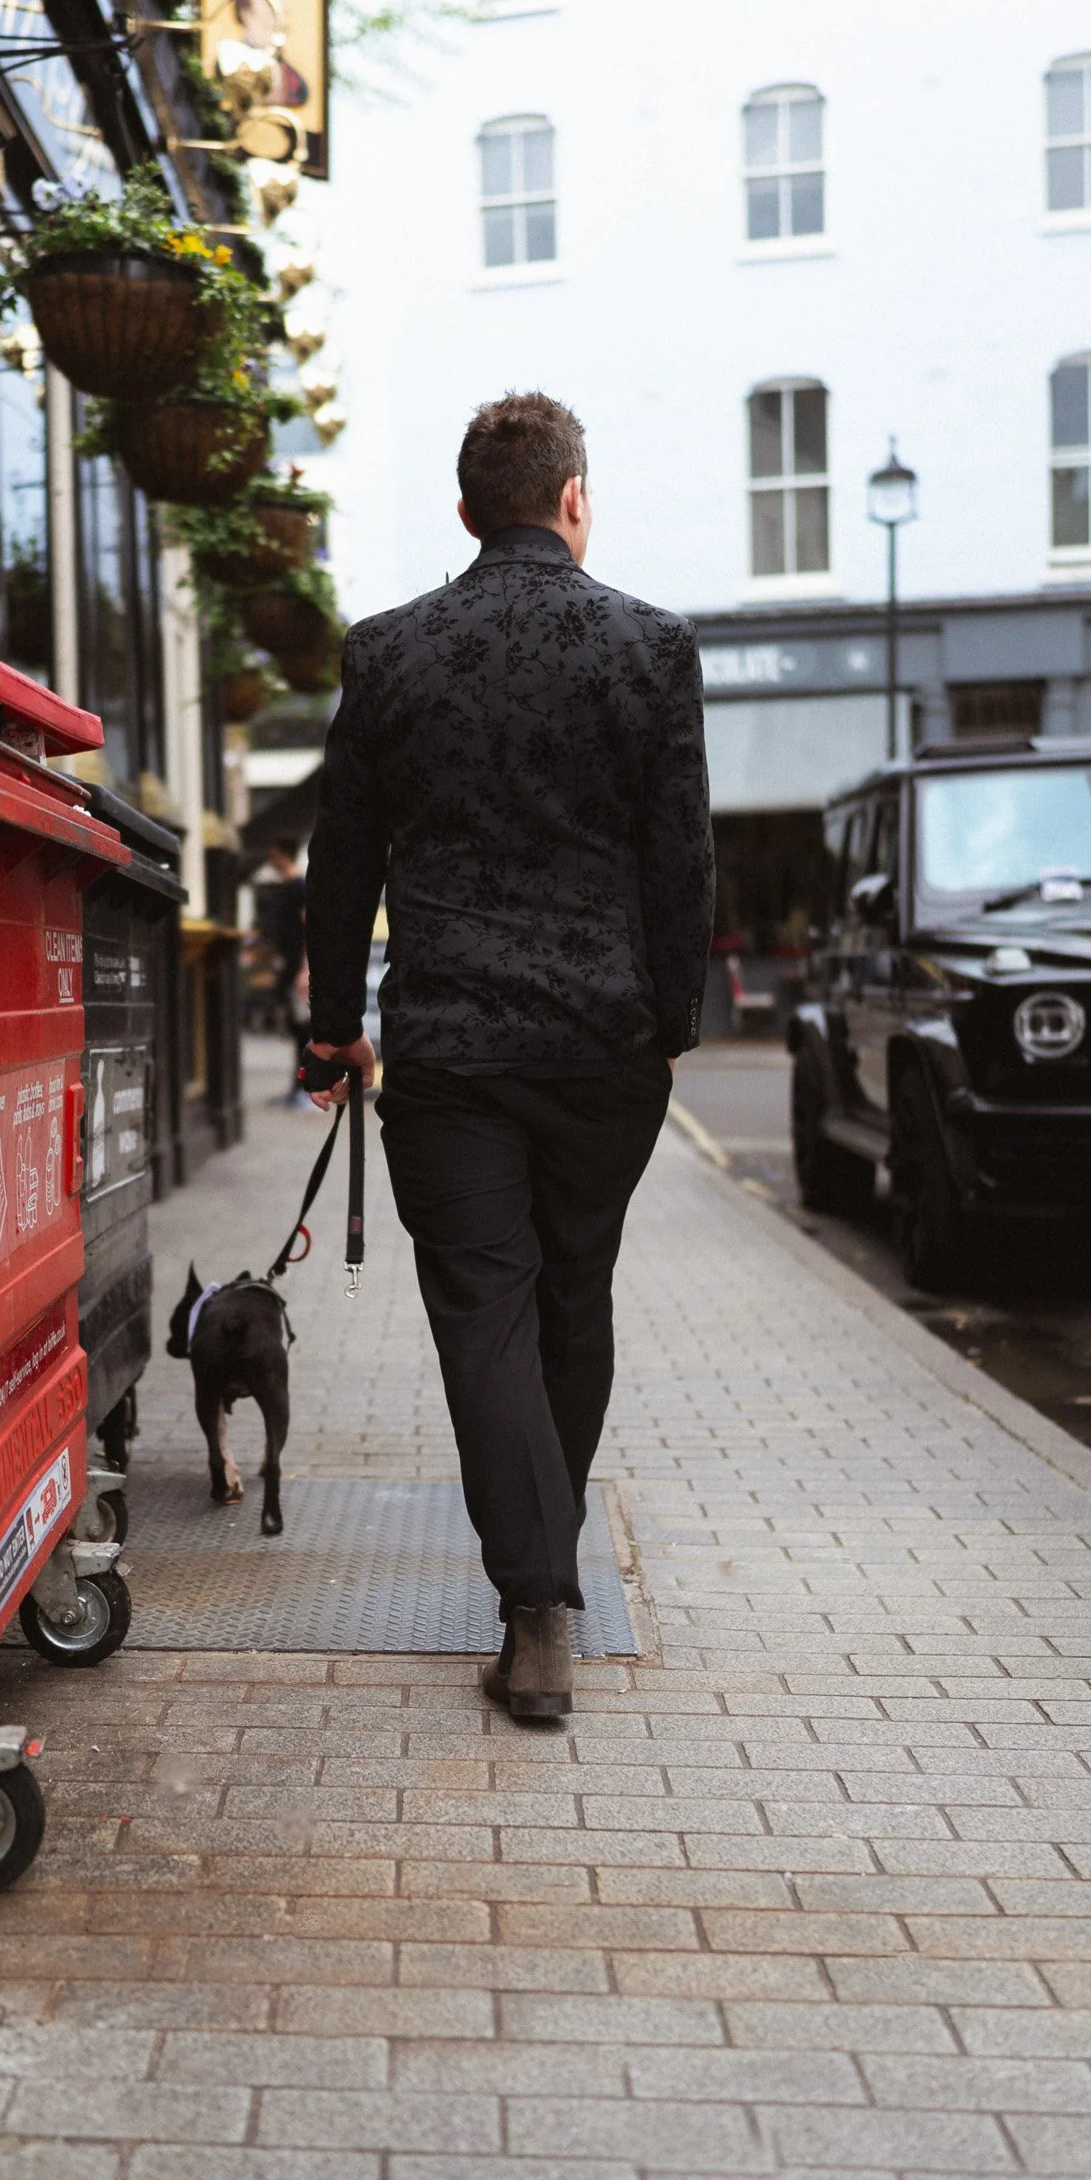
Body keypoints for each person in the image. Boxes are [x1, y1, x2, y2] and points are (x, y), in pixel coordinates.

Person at [303, 392, 713, 1722]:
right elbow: (678, 858)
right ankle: (542, 1574)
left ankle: (533, 1605)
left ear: (468, 510)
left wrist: (329, 1018)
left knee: (486, 1313)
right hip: (601, 1046)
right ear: (573, 498)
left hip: (451, 1047)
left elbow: (339, 859)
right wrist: (670, 1023)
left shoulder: (387, 654)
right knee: (572, 1294)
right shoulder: (647, 648)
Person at [262, 837, 309, 1104]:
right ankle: (298, 1086)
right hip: (289, 965)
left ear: (282, 853)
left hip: (297, 967)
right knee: (295, 1026)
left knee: (303, 1027)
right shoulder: (287, 886)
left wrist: (305, 968)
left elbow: (309, 927)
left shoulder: (299, 887)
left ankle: (303, 1088)